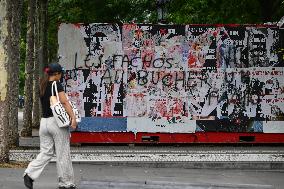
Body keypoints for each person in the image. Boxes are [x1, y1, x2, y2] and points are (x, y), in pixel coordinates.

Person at [23, 63, 77, 189]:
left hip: (44, 123)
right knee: (63, 153)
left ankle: (29, 174)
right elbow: (64, 102)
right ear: (57, 74)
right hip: (56, 123)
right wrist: (73, 118)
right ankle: (66, 183)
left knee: (46, 152)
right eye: (60, 73)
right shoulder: (56, 84)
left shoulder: (42, 84)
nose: (61, 75)